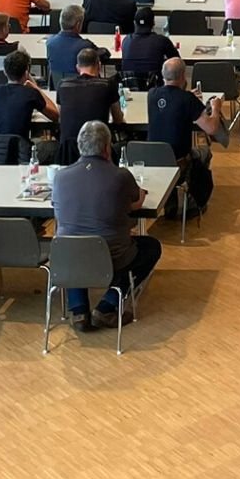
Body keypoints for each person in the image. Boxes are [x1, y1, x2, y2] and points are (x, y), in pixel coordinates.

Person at [54, 119, 160, 331]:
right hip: (111, 256)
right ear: (106, 147)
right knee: (149, 247)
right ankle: (108, 304)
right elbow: (136, 203)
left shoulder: (60, 177)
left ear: (79, 145)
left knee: (76, 244)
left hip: (68, 257)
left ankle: (78, 310)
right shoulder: (120, 176)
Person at [147, 57, 226, 212]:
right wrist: (216, 108)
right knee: (205, 153)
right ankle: (194, 202)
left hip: (152, 160)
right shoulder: (187, 100)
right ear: (183, 76)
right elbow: (211, 128)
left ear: (163, 76)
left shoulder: (152, 94)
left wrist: (185, 95)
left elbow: (171, 100)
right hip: (178, 162)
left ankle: (171, 201)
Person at [0, 49, 59, 146]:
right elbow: (55, 115)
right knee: (52, 146)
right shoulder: (31, 93)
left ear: (5, 72)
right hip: (20, 152)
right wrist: (36, 88)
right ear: (27, 73)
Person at [57, 47, 125, 153]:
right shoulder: (107, 85)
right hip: (97, 151)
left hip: (68, 152)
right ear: (99, 65)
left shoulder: (63, 85)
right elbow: (118, 120)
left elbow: (60, 118)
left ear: (77, 68)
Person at [119, 8, 180, 82]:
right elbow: (177, 60)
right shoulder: (162, 41)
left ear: (134, 23)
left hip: (129, 85)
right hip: (154, 86)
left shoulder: (126, 40)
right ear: (153, 23)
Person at [46, 5, 99, 82]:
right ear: (78, 25)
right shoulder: (85, 46)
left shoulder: (50, 42)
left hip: (58, 88)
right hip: (80, 89)